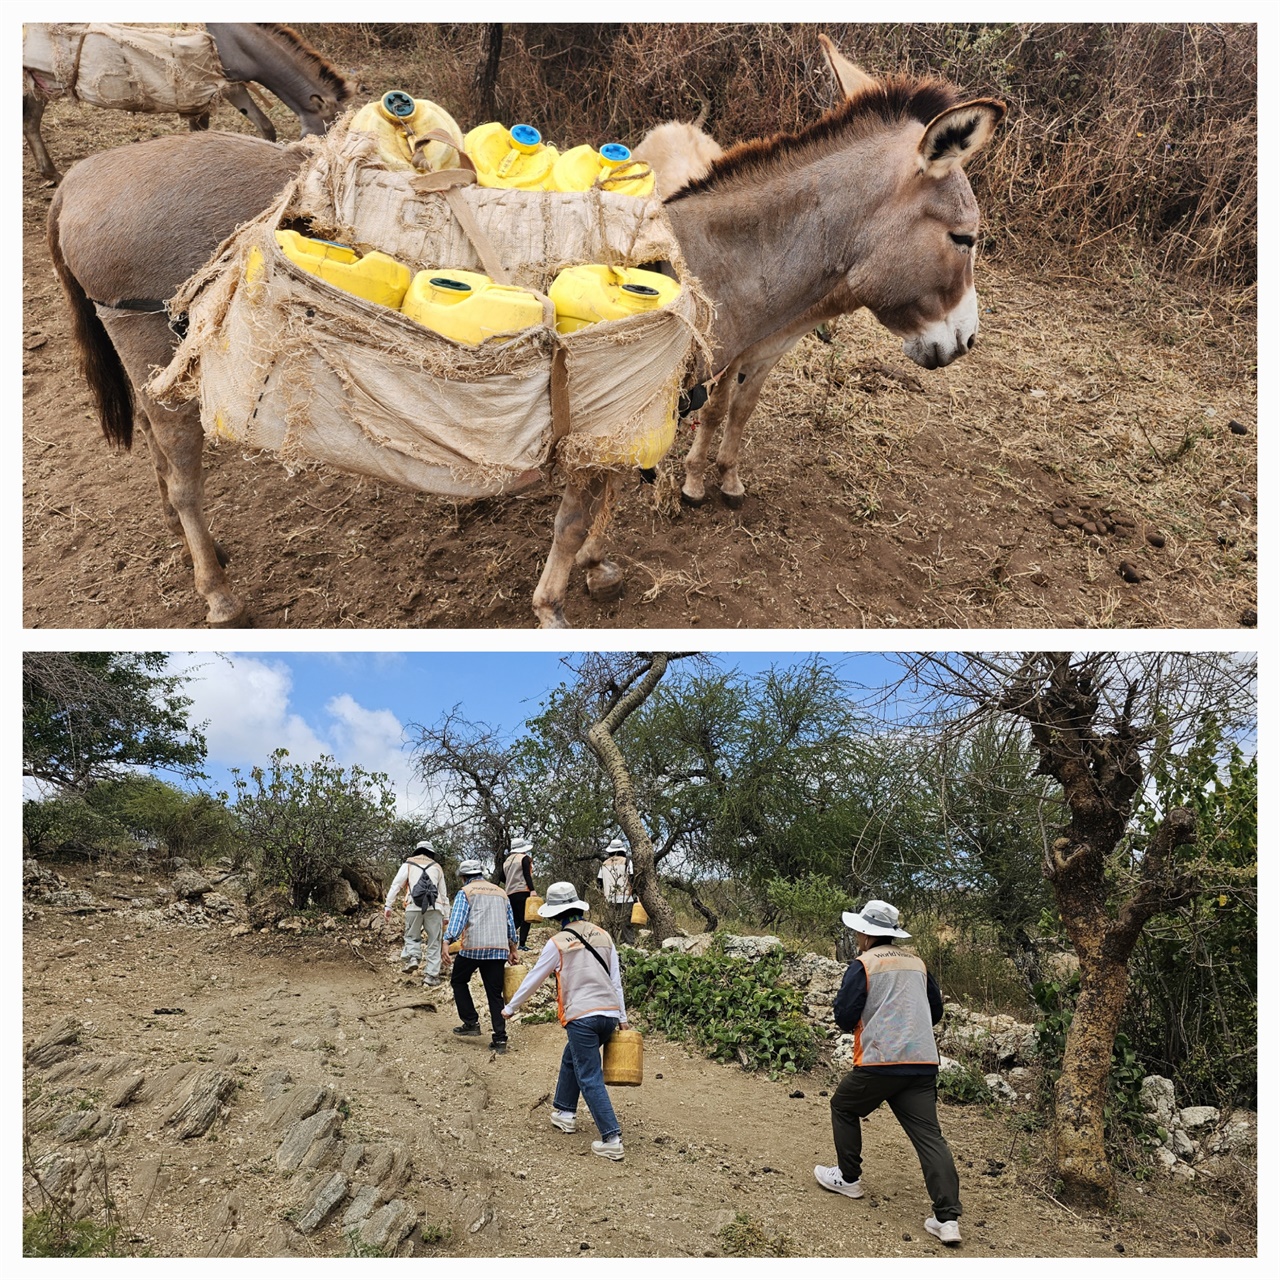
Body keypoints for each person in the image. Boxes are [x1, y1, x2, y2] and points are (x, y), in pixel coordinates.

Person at [814, 899, 963, 1246]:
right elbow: (935, 1010)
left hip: (880, 1061)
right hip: (922, 1062)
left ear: (866, 934)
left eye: (858, 931)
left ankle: (848, 1179)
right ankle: (948, 1219)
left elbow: (844, 1014)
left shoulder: (863, 964)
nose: (855, 936)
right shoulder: (918, 963)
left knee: (843, 1106)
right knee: (930, 1137)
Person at [502, 880, 629, 1161]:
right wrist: (622, 1017)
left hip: (581, 1016)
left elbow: (534, 977)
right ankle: (565, 1112)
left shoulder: (557, 943)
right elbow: (615, 981)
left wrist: (511, 1007)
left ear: (556, 914)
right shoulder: (604, 936)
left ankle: (612, 1138)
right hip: (607, 1015)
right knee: (571, 1056)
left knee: (589, 1075)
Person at [444, 858, 519, 1054]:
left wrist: (446, 941)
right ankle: (500, 1039)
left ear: (463, 877)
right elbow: (510, 924)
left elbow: (457, 920)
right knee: (495, 994)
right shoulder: (501, 893)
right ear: (481, 874)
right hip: (498, 948)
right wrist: (513, 948)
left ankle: (471, 1022)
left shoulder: (466, 892)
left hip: (473, 948)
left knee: (459, 981)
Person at [383, 841, 450, 986]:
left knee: (412, 935)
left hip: (413, 905)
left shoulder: (409, 863)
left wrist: (388, 905)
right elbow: (443, 894)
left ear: (417, 851)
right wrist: (446, 916)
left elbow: (396, 884)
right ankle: (431, 976)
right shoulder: (437, 867)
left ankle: (413, 958)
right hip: (435, 907)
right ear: (431, 853)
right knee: (434, 941)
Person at [596, 837, 636, 946]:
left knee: (610, 925)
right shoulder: (627, 861)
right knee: (626, 925)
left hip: (609, 898)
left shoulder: (604, 864)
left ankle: (610, 947)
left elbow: (599, 882)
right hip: (626, 897)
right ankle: (629, 947)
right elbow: (632, 878)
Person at [502, 837, 536, 951]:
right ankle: (522, 944)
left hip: (509, 892)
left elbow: (502, 877)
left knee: (515, 919)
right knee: (526, 918)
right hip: (522, 890)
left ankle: (504, 939)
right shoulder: (524, 858)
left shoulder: (506, 861)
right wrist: (532, 890)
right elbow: (527, 875)